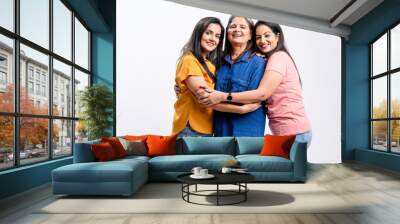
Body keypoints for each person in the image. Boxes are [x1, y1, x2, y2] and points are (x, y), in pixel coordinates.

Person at [197, 21, 312, 145]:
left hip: (294, 132)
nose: (262, 40)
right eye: (258, 37)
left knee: (288, 165)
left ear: (277, 36)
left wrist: (222, 96)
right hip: (287, 131)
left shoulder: (277, 58)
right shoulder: (267, 59)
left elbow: (262, 94)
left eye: (267, 35)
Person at [172, 17, 261, 138]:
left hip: (208, 129)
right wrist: (242, 109)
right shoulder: (189, 60)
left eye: (217, 36)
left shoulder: (212, 63)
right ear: (198, 33)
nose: (212, 39)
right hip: (192, 129)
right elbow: (205, 98)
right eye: (208, 33)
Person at [212, 16, 267, 137]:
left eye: (242, 27)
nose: (237, 30)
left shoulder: (259, 63)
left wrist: (215, 100)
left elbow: (253, 99)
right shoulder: (217, 61)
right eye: (233, 26)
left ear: (250, 34)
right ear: (227, 32)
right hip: (220, 132)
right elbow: (206, 94)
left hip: (247, 134)